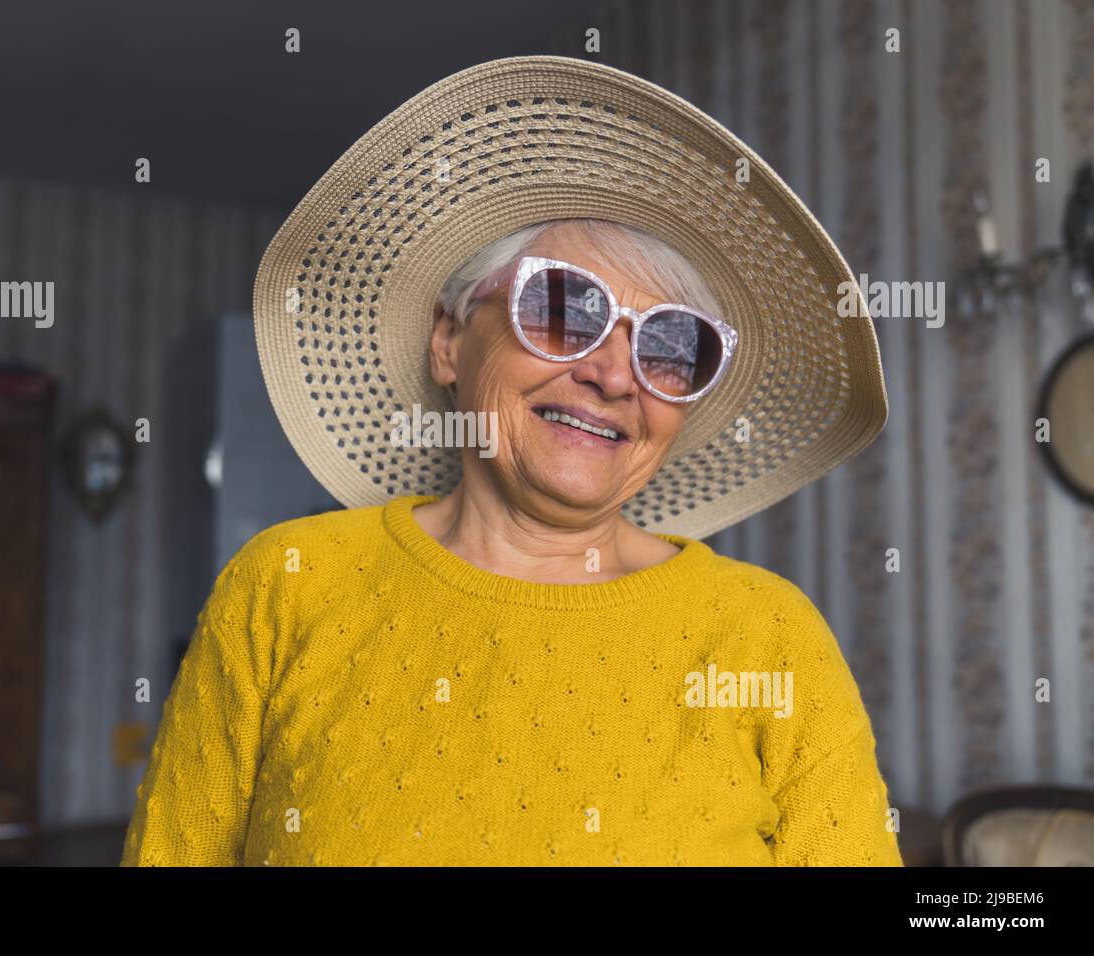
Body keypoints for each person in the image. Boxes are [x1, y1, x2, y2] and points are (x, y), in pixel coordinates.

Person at [121, 55, 900, 866]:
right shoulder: (283, 587)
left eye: (669, 346)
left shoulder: (767, 637)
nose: (611, 375)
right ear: (450, 341)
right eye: (563, 308)